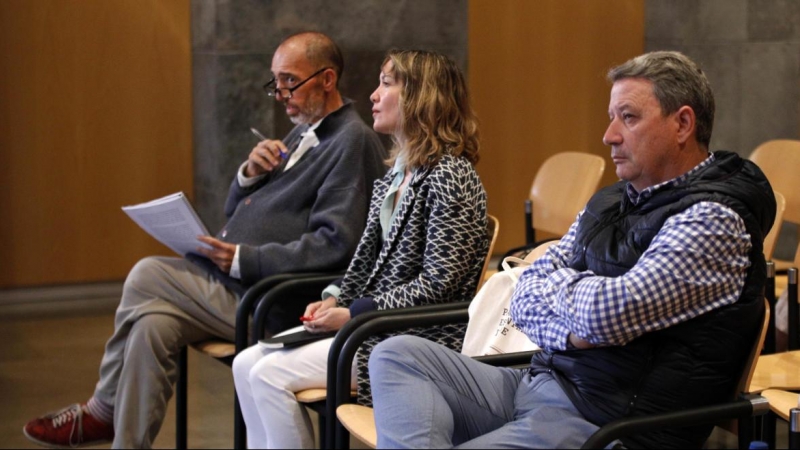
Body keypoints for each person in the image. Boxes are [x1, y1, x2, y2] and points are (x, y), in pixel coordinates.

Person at [368, 51, 777, 449]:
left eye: (629, 117)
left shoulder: (713, 220)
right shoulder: (614, 199)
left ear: (683, 123)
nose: (609, 134)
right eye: (611, 117)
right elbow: (524, 294)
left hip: (606, 423)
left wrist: (565, 296)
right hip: (543, 382)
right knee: (396, 355)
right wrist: (573, 330)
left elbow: (603, 316)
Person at [23, 31, 387, 449]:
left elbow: (335, 244)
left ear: (327, 79)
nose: (280, 94)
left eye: (290, 81)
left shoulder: (350, 140)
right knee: (150, 327)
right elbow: (237, 212)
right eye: (275, 82)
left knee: (147, 273)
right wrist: (248, 175)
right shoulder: (304, 130)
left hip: (271, 302)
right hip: (238, 289)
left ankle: (102, 412)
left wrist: (243, 259)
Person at [232, 49, 489, 449]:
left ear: (423, 97)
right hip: (371, 327)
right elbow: (363, 262)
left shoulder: (451, 176)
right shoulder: (396, 175)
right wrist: (334, 298)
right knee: (245, 362)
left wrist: (353, 313)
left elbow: (438, 285)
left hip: (411, 339)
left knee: (268, 374)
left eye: (387, 84)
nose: (372, 95)